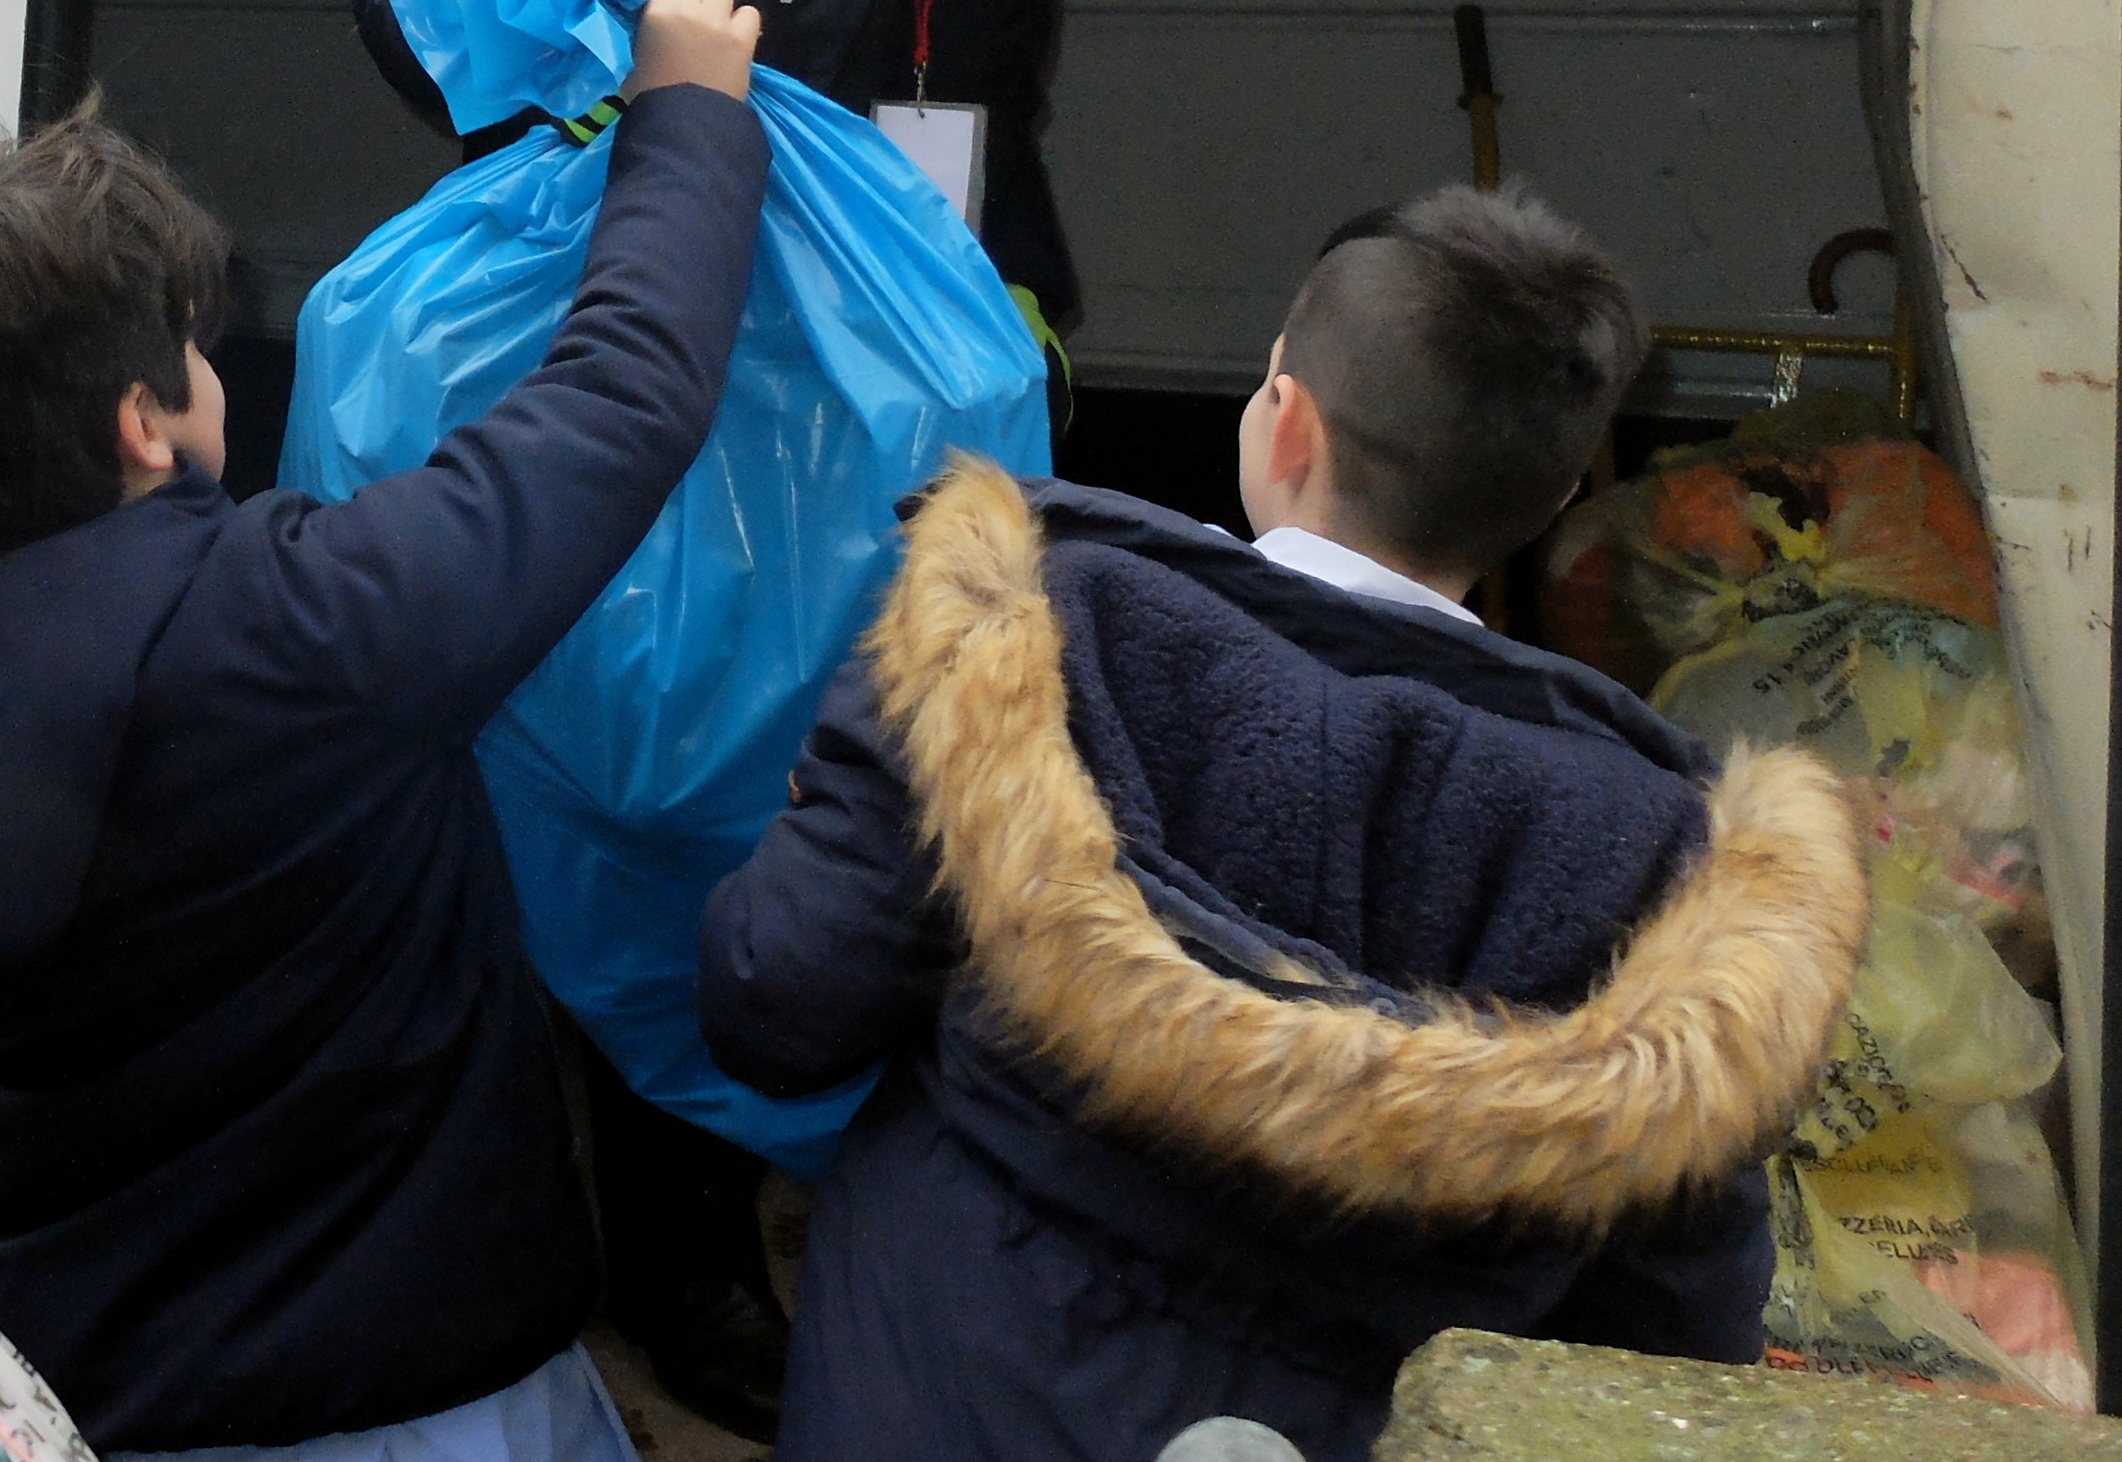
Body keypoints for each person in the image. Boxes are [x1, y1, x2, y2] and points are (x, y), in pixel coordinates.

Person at [351, 0, 1157, 1427]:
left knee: (845, 808)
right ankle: (652, 1255)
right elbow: (419, 17)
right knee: (648, 804)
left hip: (886, 406)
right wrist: (536, 14)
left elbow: (989, 91)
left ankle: (780, 1201)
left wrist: (1018, 346)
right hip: (670, 386)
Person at [0, 0, 772, 1461]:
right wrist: (692, 108)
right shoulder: (317, 624)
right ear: (146, 422)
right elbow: (626, 393)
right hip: (424, 1409)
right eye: (197, 351)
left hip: (106, 1406)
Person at [696, 185, 1873, 1461]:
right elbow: (1672, 1338)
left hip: (933, 1400)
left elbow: (776, 1001)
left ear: (1283, 420)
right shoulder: (1664, 858)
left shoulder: (1018, 640)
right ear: (1545, 503)